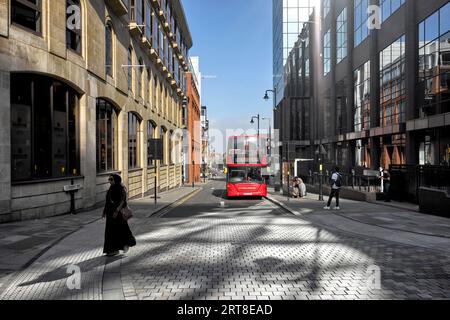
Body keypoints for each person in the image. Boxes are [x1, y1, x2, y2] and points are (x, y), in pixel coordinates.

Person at [102, 174, 136, 257]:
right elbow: (107, 201)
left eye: (111, 179)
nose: (109, 181)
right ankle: (113, 250)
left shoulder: (121, 189)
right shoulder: (111, 189)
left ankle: (126, 244)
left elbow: (122, 202)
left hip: (118, 214)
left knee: (121, 230)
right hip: (110, 214)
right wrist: (104, 212)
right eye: (109, 179)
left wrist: (116, 211)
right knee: (110, 232)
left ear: (116, 180)